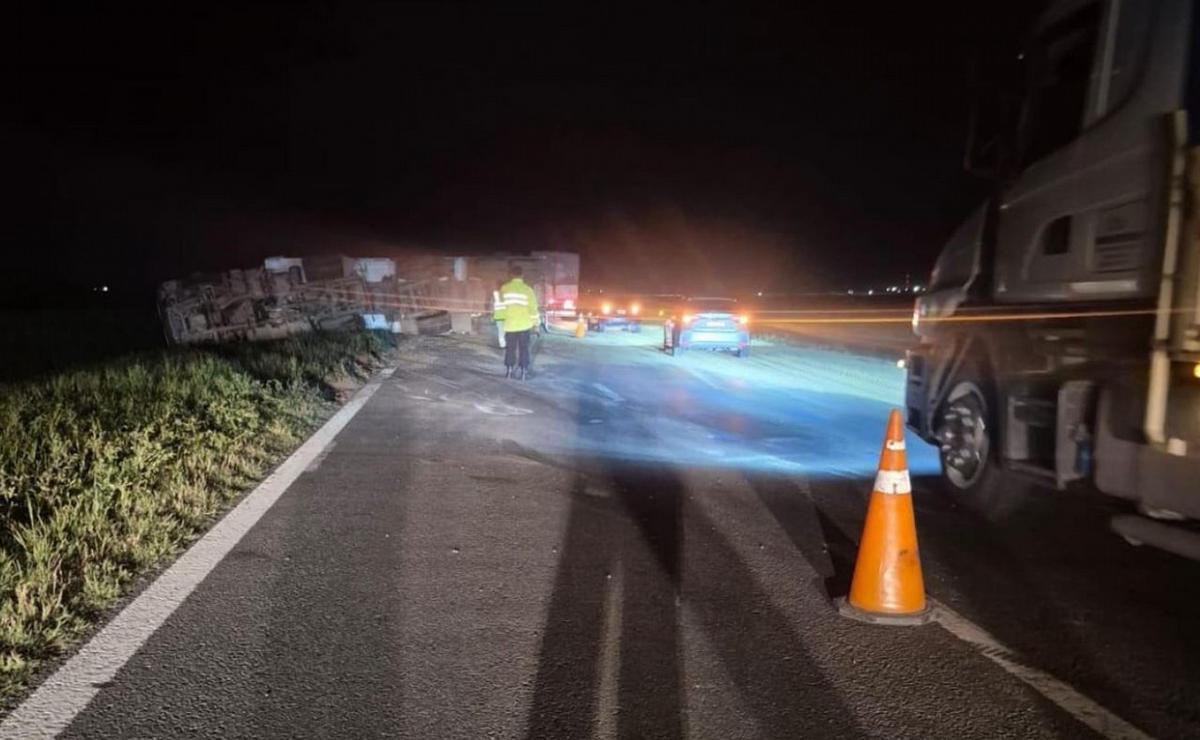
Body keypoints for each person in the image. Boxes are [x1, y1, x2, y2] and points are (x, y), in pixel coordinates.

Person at [499, 265, 538, 379]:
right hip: (524, 325)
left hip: (510, 325)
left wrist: (501, 321)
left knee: (510, 349)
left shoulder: (505, 288)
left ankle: (509, 370)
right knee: (524, 349)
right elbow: (533, 309)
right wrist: (536, 324)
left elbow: (501, 307)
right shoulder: (528, 290)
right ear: (522, 275)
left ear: (511, 275)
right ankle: (524, 371)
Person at [491, 281, 507, 349]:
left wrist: (492, 315)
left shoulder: (495, 295)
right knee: (508, 331)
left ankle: (502, 345)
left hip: (498, 316)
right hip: (507, 316)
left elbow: (492, 306)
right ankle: (508, 343)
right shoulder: (507, 294)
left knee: (501, 331)